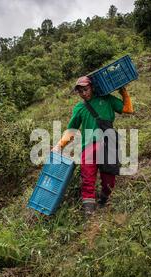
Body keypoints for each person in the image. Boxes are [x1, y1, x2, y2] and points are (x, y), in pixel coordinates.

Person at [52, 76, 134, 215]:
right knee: (87, 178)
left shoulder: (107, 99)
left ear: (92, 87)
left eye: (86, 89)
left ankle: (104, 199)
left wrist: (123, 92)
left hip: (108, 144)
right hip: (88, 147)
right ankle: (89, 211)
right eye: (80, 91)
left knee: (109, 177)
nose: (83, 93)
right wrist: (59, 145)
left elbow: (128, 109)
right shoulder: (80, 107)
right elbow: (72, 130)